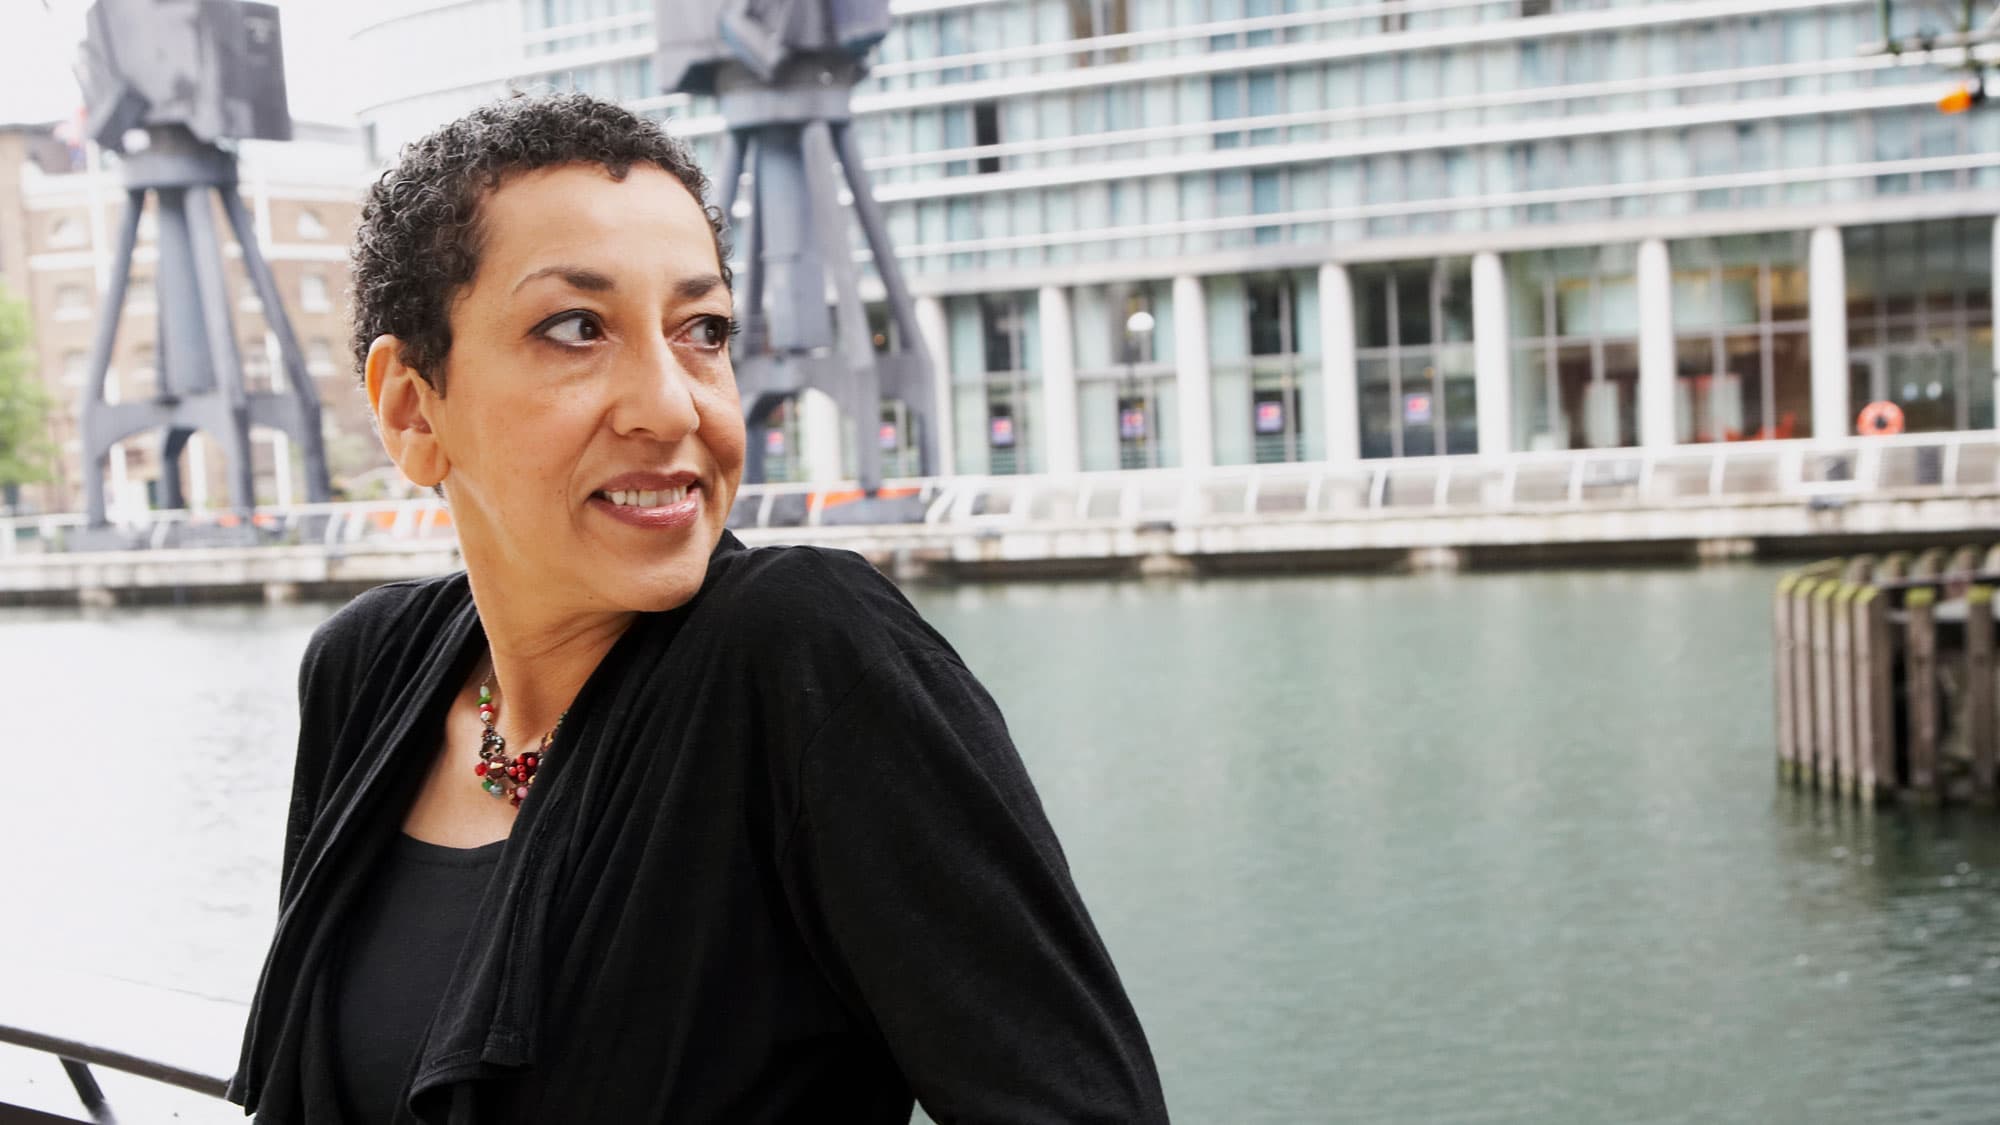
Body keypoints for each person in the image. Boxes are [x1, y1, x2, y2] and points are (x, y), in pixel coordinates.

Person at [226, 93, 1167, 1124]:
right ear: (412, 408)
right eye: (576, 329)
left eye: (701, 329)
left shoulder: (806, 654)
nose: (673, 404)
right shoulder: (369, 672)